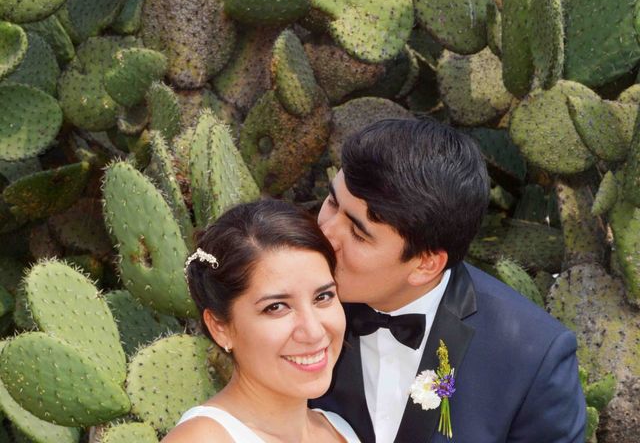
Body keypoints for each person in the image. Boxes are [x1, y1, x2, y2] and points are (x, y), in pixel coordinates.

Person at [310, 118, 586, 442]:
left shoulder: (533, 358)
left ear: (426, 264)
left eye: (358, 233)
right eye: (331, 202)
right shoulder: (285, 299)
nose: (324, 233)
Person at [163, 199, 360, 442]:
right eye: (276, 307)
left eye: (323, 296)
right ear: (219, 327)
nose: (314, 331)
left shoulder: (338, 428)